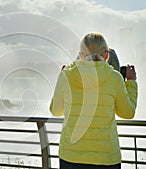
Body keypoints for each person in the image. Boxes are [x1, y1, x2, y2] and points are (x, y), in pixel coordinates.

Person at [50, 33, 138, 169]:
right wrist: (131, 83)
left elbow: (56, 111)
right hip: (106, 157)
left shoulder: (66, 76)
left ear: (80, 54)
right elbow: (127, 113)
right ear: (107, 55)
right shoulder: (114, 78)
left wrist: (62, 78)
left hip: (71, 156)